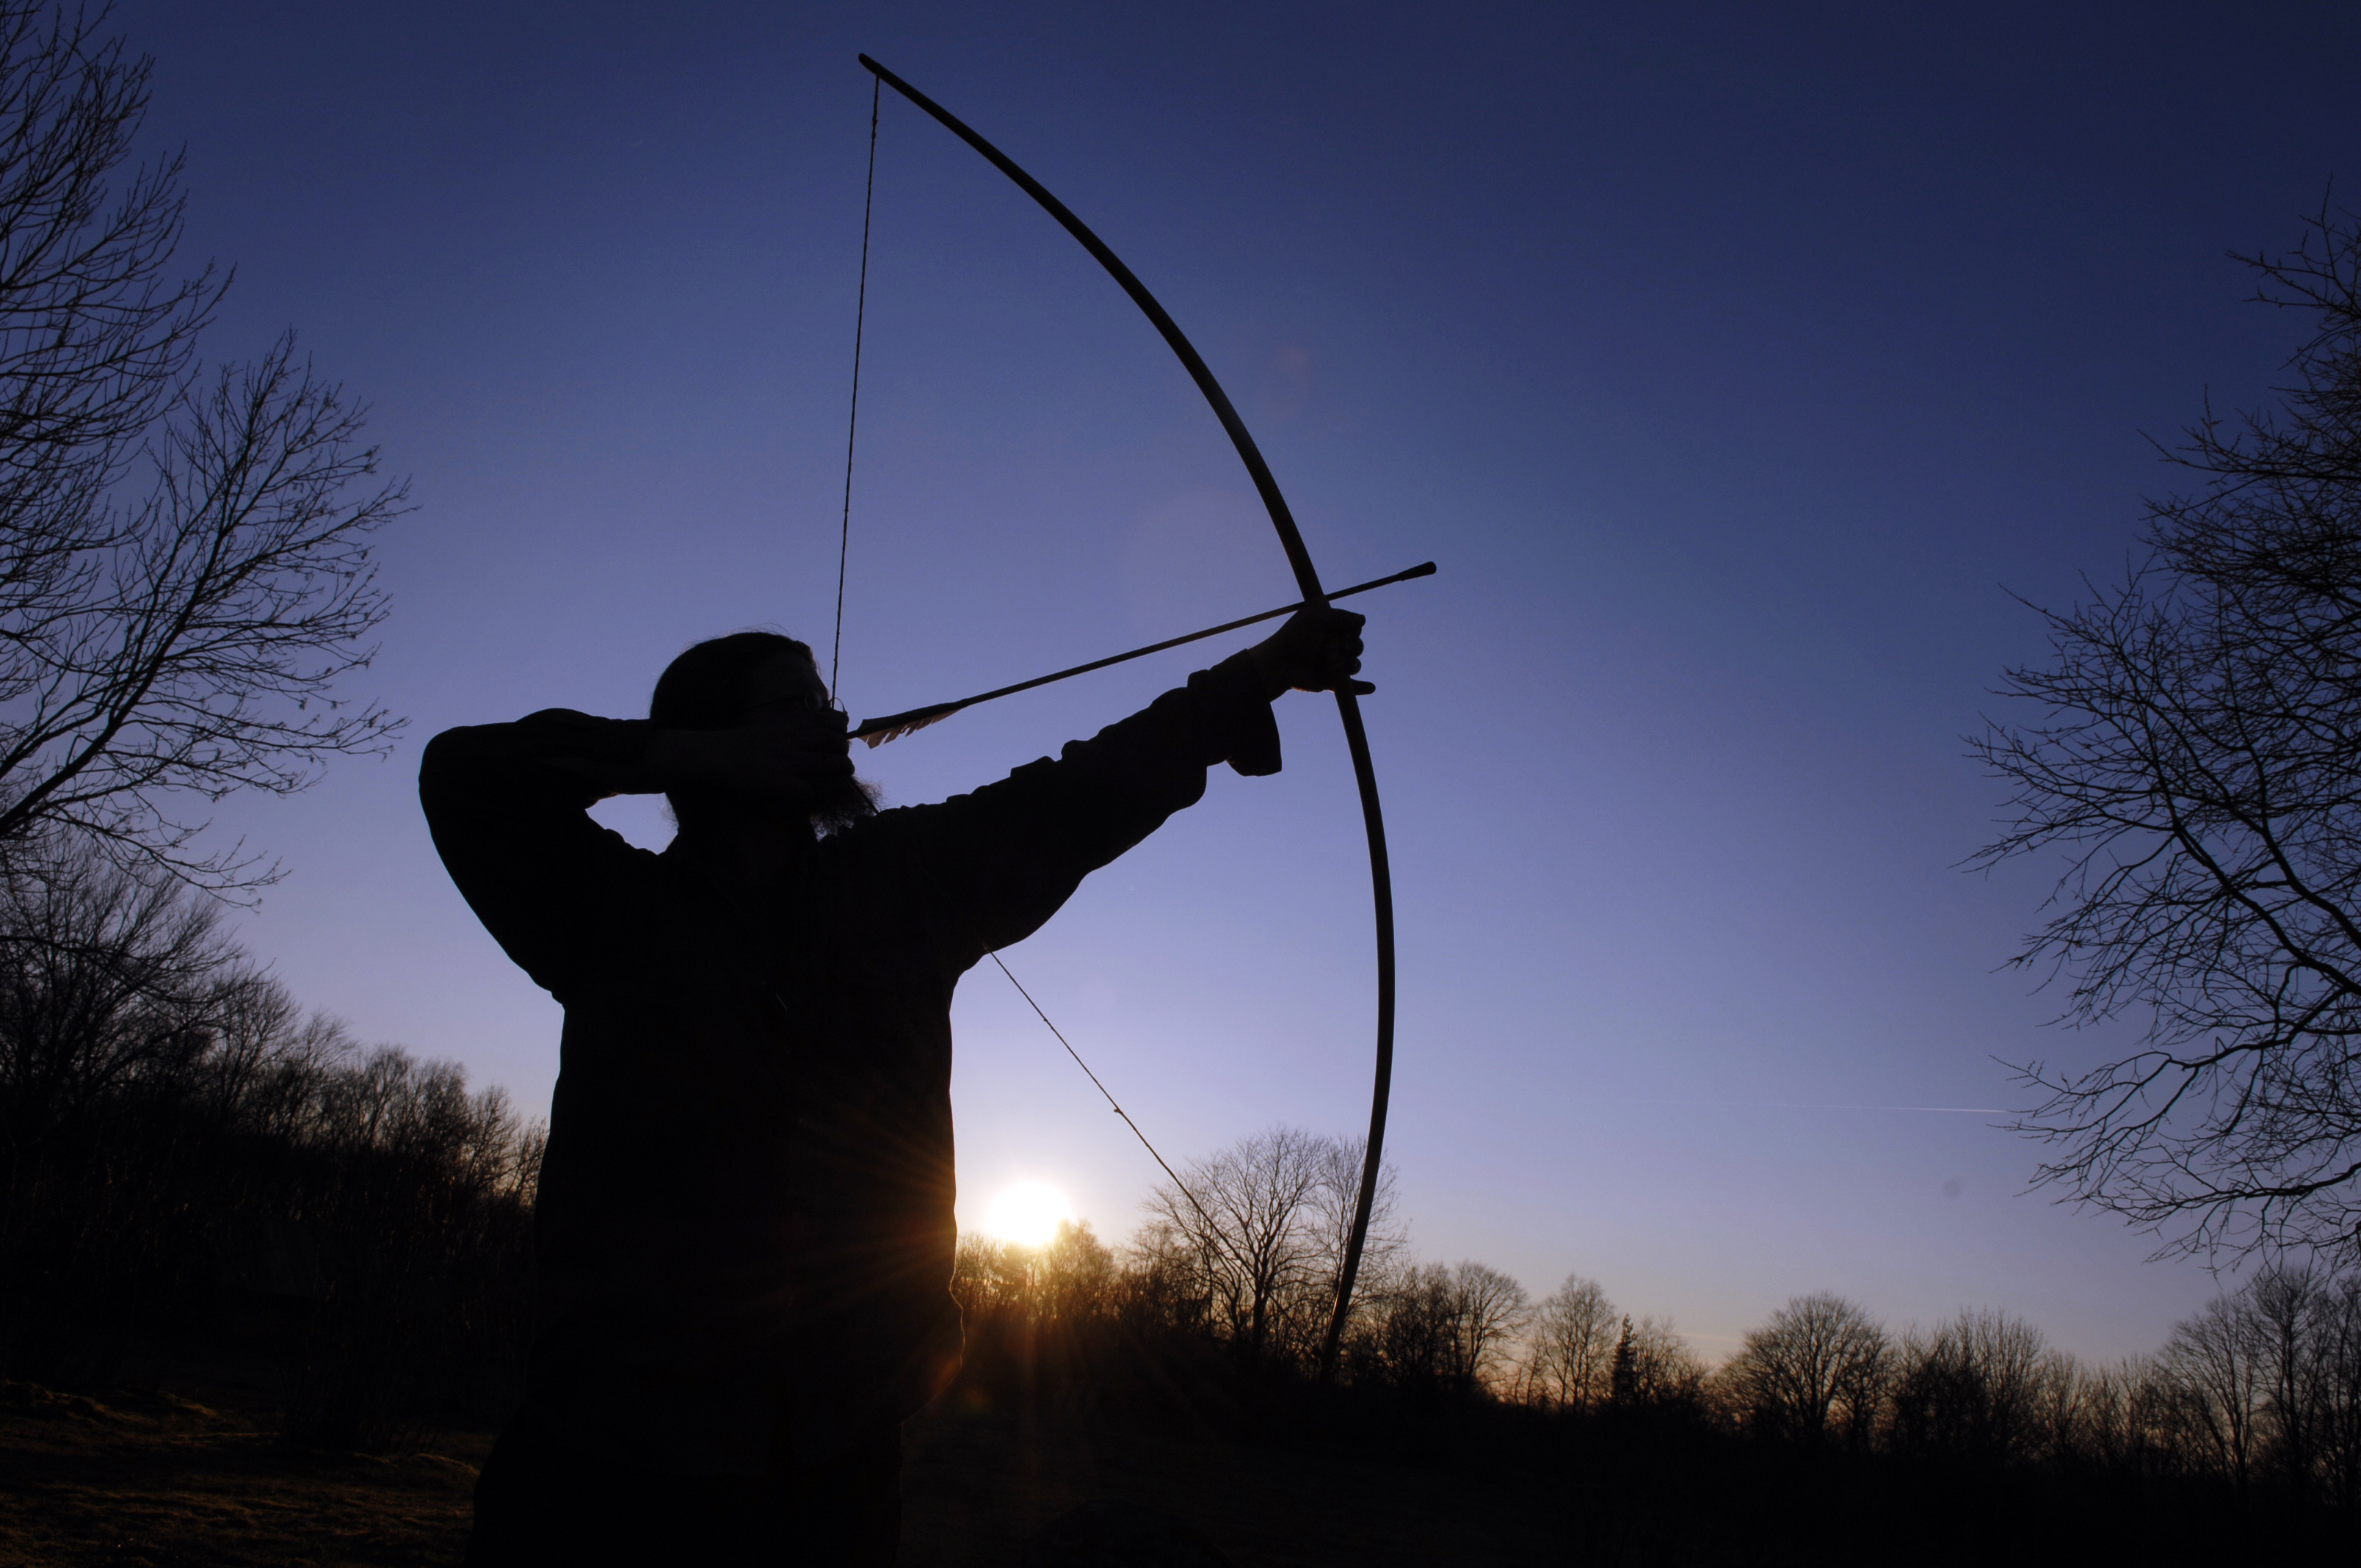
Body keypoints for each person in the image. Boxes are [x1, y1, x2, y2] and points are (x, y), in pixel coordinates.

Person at [421, 606, 1371, 1565]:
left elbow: (1074, 798)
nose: (831, 723)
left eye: (826, 701)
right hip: (605, 1463)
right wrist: (684, 755)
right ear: (714, 742)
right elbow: (465, 777)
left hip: (830, 1467)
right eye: (795, 705)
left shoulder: (896, 883)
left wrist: (1255, 675)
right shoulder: (614, 912)